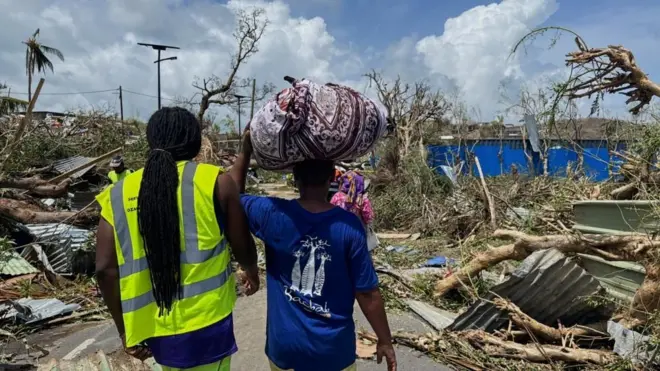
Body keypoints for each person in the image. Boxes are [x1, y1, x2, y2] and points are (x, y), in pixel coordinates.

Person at [95, 107, 260, 370]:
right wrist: (251, 270)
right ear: (195, 143)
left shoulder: (116, 195)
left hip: (153, 327)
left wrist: (125, 330)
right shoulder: (213, 181)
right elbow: (242, 244)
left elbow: (105, 270)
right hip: (207, 321)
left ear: (151, 142)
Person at [230, 131, 397, 371]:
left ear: (294, 178)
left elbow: (231, 198)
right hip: (332, 351)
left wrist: (246, 150)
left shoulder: (272, 213)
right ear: (331, 178)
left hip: (285, 348)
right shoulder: (349, 226)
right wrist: (385, 340)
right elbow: (368, 294)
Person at [330, 171, 379, 251]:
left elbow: (330, 214)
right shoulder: (362, 199)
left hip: (339, 233)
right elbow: (369, 217)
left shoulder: (336, 196)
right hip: (357, 234)